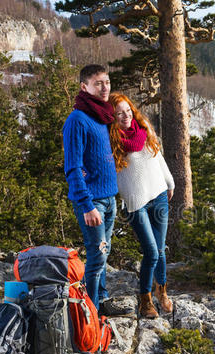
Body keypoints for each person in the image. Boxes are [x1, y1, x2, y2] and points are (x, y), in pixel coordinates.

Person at [63, 65, 129, 317]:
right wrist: (87, 205)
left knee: (105, 251)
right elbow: (73, 168)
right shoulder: (77, 119)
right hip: (91, 201)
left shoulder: (102, 116)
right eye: (98, 83)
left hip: (108, 198)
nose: (104, 88)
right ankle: (89, 311)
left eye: (107, 82)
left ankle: (101, 299)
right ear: (84, 87)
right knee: (97, 254)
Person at [108, 92, 174, 319]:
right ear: (112, 116)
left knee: (160, 249)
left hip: (159, 195)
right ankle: (145, 299)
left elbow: (158, 156)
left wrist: (169, 181)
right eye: (119, 113)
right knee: (151, 252)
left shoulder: (143, 128)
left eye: (127, 111)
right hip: (137, 203)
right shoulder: (111, 140)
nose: (125, 116)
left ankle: (161, 290)